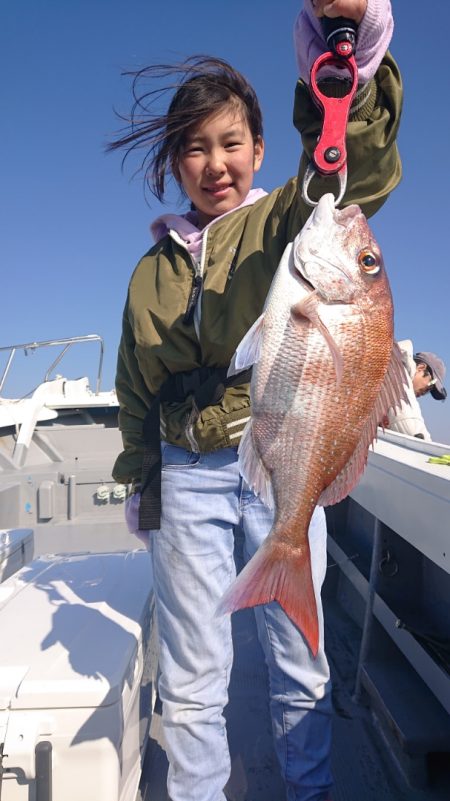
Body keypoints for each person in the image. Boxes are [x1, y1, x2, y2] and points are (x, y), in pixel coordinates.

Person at [110, 2, 402, 799]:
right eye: (196, 148)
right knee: (195, 669)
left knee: (299, 659)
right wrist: (142, 476)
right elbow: (136, 384)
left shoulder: (283, 226)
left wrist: (353, 56)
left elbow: (349, 169)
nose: (216, 163)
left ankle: (310, 792)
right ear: (175, 162)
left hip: (276, 462)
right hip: (185, 471)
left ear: (261, 149)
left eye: (232, 142)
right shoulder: (149, 274)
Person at [386, 339, 447, 441]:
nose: (425, 392)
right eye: (430, 385)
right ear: (420, 368)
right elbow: (410, 427)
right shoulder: (397, 372)